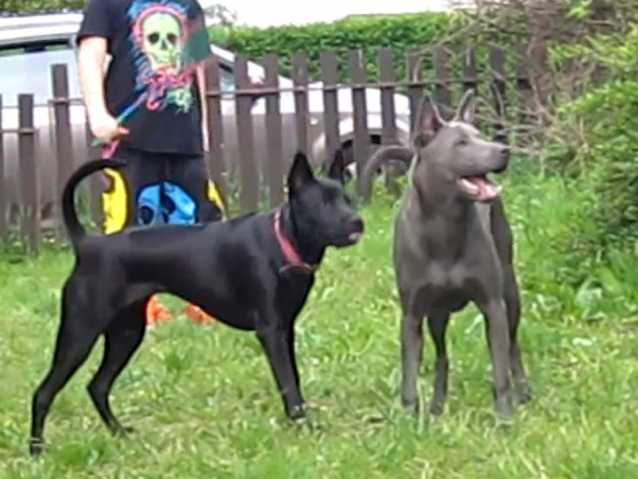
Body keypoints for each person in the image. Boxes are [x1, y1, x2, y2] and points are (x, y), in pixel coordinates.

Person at [77, 0, 225, 326]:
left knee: (203, 222)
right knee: (130, 225)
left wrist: (203, 125)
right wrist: (97, 114)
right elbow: (90, 55)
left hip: (184, 138)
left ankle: (205, 300)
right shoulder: (107, 3)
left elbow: (197, 65)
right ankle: (132, 304)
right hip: (130, 137)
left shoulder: (189, 5)